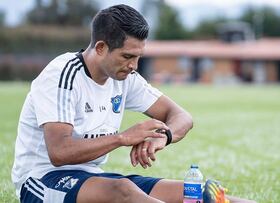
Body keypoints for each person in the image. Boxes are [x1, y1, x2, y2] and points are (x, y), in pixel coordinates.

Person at [12, 4, 255, 203]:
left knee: (194, 194)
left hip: (93, 179)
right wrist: (122, 138)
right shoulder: (62, 75)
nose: (134, 66)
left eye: (138, 57)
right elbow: (59, 152)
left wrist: (164, 136)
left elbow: (181, 116)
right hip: (42, 181)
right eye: (127, 56)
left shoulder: (125, 77)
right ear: (100, 48)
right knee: (124, 191)